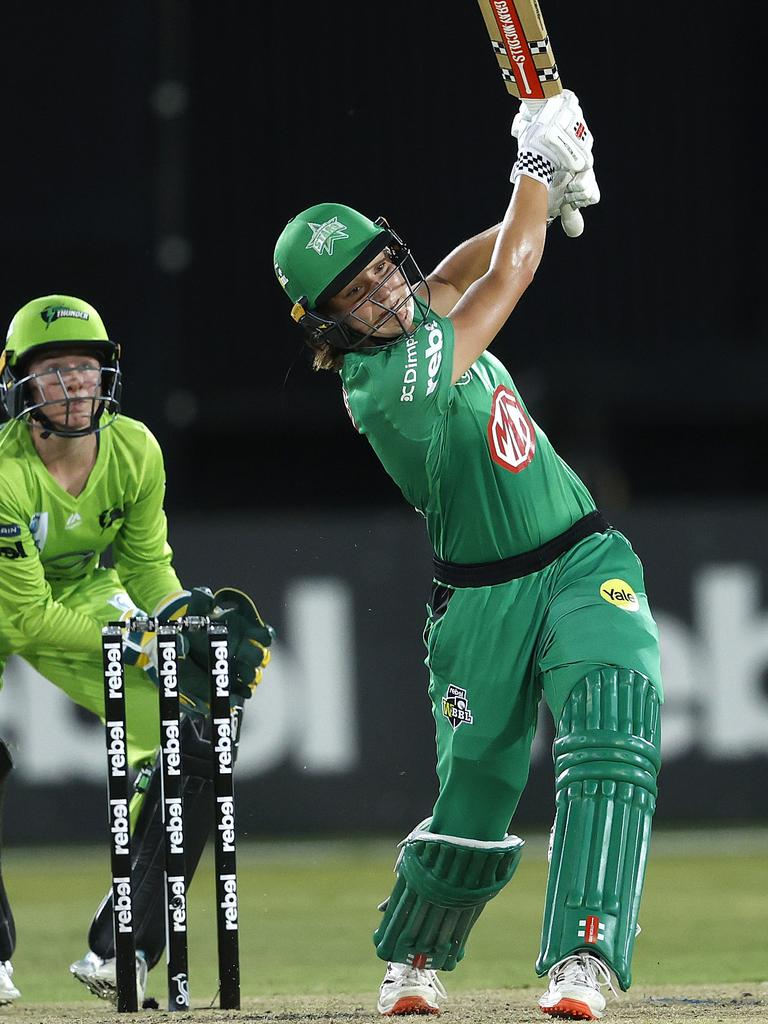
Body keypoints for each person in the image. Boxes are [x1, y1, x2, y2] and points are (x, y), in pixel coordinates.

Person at [273, 91, 662, 1020]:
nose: (383, 295)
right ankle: (413, 957)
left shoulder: (414, 314)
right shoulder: (386, 386)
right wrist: (531, 175)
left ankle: (584, 958)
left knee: (612, 722)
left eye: (380, 270)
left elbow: (456, 272)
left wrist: (550, 186)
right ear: (329, 329)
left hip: (578, 557)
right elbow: (509, 277)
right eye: (356, 297)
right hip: (479, 602)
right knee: (478, 797)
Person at [0, 294, 274, 1005]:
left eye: (85, 370)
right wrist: (136, 641)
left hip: (82, 590)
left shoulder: (135, 448)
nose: (73, 386)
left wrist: (182, 621)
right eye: (54, 372)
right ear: (20, 386)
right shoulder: (4, 474)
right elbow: (26, 617)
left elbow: (146, 563)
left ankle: (123, 943)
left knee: (200, 731)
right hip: (15, 598)